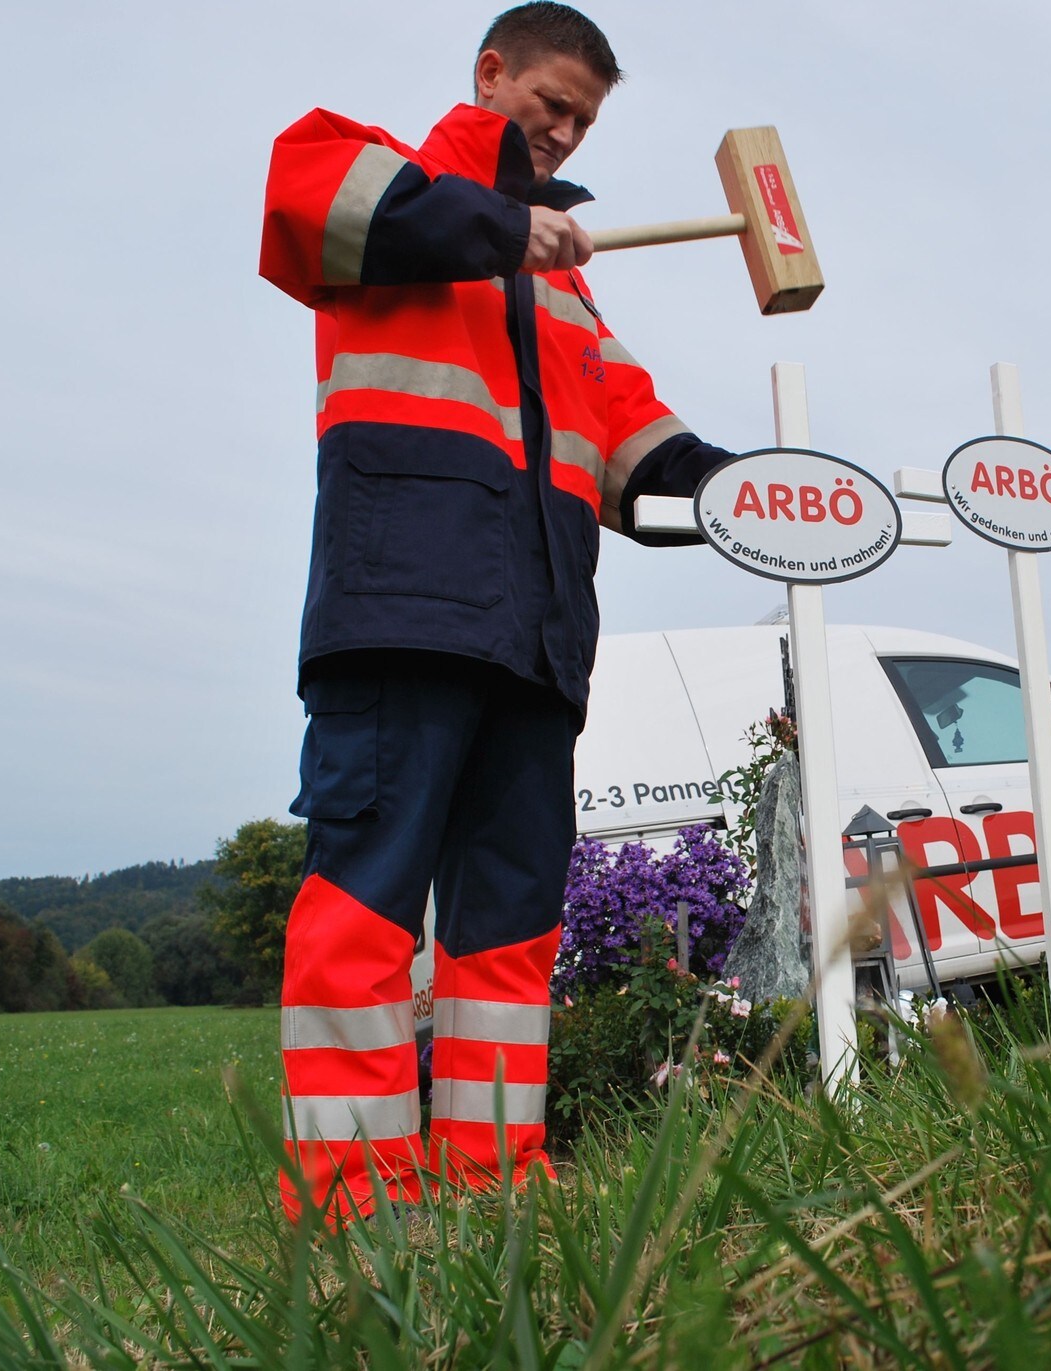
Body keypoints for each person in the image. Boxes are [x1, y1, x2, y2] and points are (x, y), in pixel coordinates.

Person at [258, 2, 737, 1222]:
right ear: (490, 74)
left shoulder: (568, 290)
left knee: (512, 929)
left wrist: (752, 492)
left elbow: (636, 445)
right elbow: (313, 206)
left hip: (537, 637)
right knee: (366, 903)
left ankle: (496, 1182)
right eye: (551, 104)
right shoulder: (370, 172)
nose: (566, 133)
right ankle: (356, 1202)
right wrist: (504, 224)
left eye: (584, 120)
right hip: (402, 608)